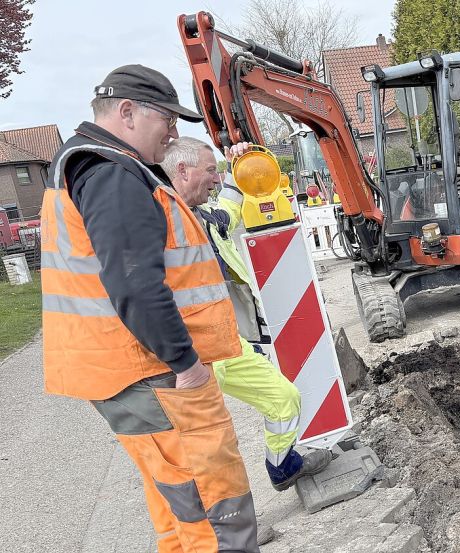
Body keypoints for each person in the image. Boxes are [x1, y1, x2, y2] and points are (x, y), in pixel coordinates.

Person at [39, 65, 258, 552]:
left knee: (176, 503)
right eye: (168, 120)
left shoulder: (90, 165)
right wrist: (186, 364)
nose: (174, 134)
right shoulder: (111, 175)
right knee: (212, 506)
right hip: (151, 369)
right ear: (128, 112)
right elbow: (136, 284)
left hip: (123, 368)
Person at [161, 136, 332, 492]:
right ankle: (241, 509)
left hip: (220, 342)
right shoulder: (164, 223)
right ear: (182, 170)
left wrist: (239, 166)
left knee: (267, 408)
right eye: (210, 171)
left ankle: (275, 472)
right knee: (209, 442)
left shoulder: (203, 217)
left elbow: (230, 207)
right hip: (201, 350)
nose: (215, 177)